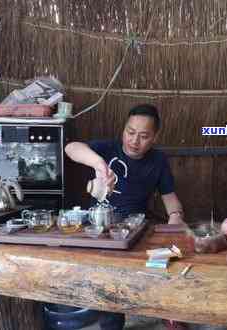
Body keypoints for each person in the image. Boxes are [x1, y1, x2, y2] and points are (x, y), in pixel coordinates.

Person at [65, 104, 188, 330]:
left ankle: (167, 311)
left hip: (137, 230)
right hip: (99, 230)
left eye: (143, 136)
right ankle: (109, 318)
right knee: (100, 281)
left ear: (154, 137)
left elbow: (170, 198)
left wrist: (175, 216)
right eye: (130, 132)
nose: (134, 141)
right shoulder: (108, 148)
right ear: (124, 129)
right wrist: (99, 164)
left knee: (167, 263)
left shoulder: (158, 161)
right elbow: (71, 148)